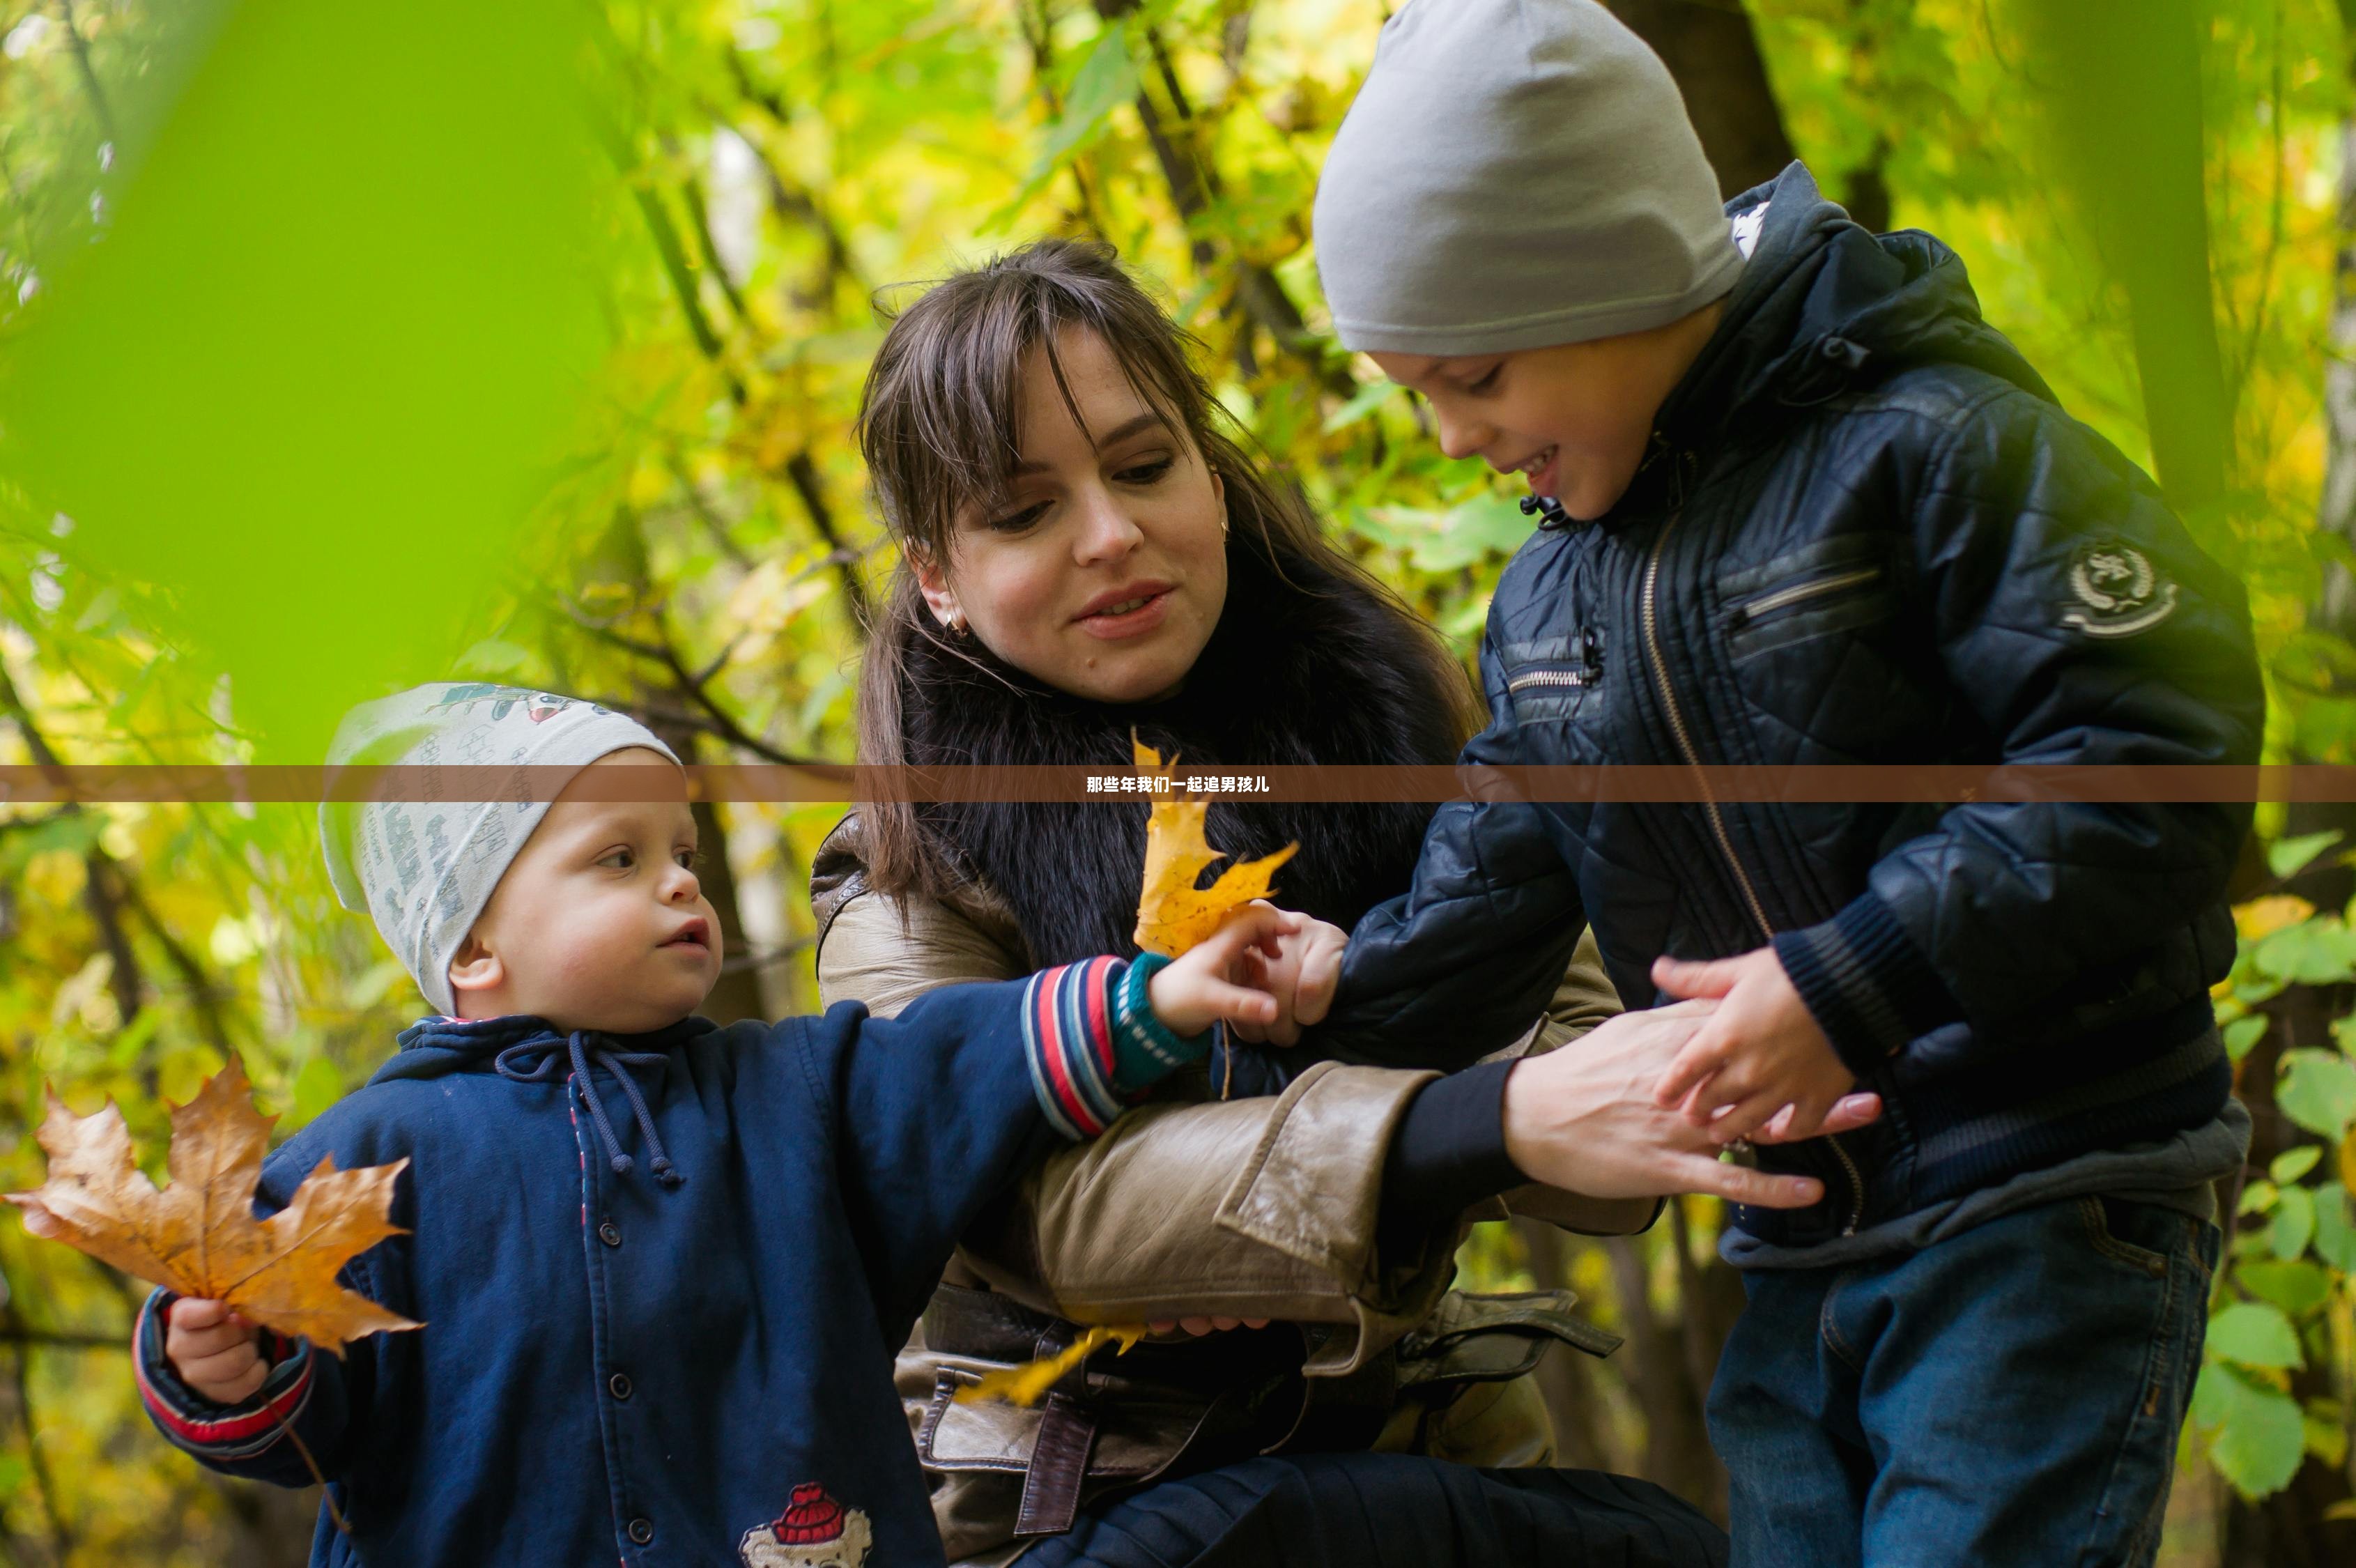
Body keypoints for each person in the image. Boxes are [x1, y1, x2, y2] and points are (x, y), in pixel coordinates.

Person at [1308, 3, 2266, 1566]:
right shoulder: (1551, 603)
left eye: (1471, 374)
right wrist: (1340, 984)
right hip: (1794, 1231)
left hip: (2033, 1183)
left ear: (1606, 273)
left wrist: (1854, 978)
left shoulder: (1927, 443)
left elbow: (2150, 753)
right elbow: (1494, 870)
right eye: (1414, 388)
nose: (1448, 437)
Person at [825, 237, 1879, 1567]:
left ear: (1208, 474)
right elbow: (1049, 1212)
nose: (1112, 535)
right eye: (1025, 511)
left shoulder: (1387, 725)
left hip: (1420, 1443)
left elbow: (1577, 1028)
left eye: (1146, 466)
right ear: (937, 577)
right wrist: (1483, 1124)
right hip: (1080, 1503)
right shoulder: (902, 870)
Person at [125, 684, 1312, 1568]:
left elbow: (967, 1056)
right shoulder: (367, 1158)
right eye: (618, 858)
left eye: (683, 852)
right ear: (472, 946)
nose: (680, 881)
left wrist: (1151, 997)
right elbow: (283, 1403)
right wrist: (222, 1364)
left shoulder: (791, 1092)